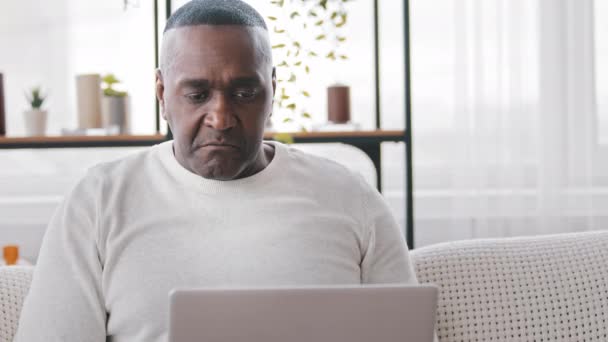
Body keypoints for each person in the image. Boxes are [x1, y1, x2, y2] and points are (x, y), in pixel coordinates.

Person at [14, 1, 418, 341]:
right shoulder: (99, 201)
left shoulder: (350, 196)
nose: (221, 118)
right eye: (197, 94)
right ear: (162, 94)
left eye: (244, 93)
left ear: (272, 92)